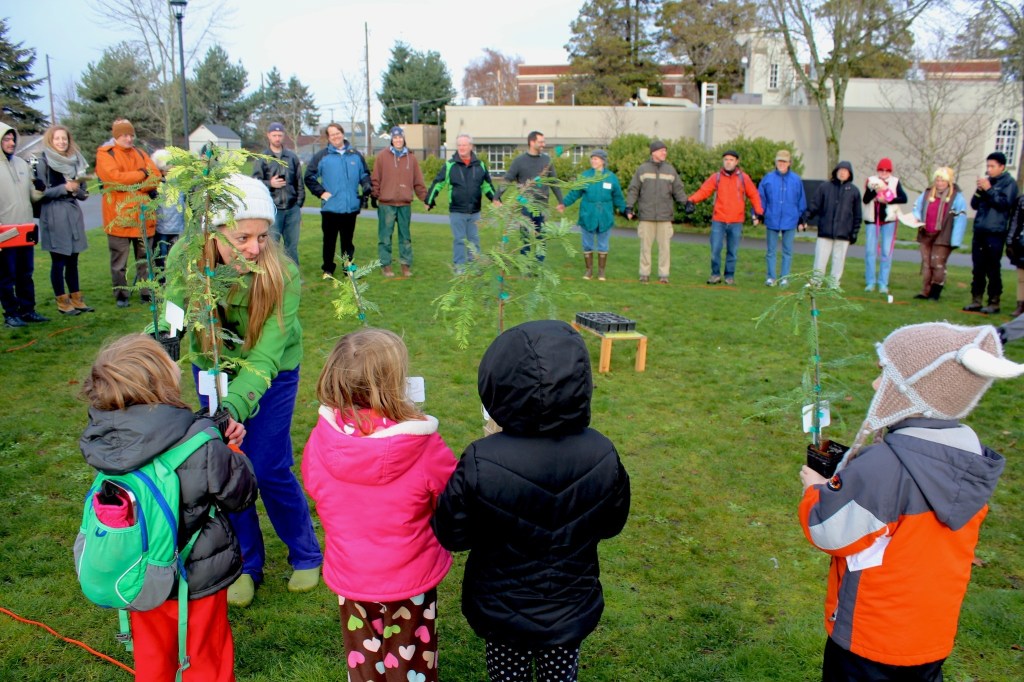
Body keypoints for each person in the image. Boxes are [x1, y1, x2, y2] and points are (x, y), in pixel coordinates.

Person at [798, 321, 1021, 682]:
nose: (874, 385)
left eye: (885, 375)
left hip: (870, 637)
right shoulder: (968, 457)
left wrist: (815, 490)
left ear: (912, 390)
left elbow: (828, 531)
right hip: (930, 635)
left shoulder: (882, 467)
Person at [432, 320, 631, 682]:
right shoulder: (602, 452)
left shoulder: (482, 459)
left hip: (502, 608)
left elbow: (452, 533)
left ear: (499, 383)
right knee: (560, 676)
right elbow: (611, 523)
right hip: (570, 605)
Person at [165, 174, 323, 607]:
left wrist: (234, 405)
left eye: (262, 235)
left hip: (270, 373)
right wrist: (161, 340)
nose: (256, 247)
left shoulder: (281, 273)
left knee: (269, 466)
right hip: (211, 370)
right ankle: (247, 563)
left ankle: (305, 552)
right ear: (213, 232)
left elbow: (266, 357)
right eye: (242, 237)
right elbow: (172, 316)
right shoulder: (186, 258)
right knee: (227, 467)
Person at [79, 333, 257, 681]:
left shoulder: (106, 442)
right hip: (196, 574)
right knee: (205, 656)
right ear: (161, 383)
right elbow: (242, 493)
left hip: (139, 571)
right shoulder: (200, 442)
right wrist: (232, 450)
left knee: (153, 657)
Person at [302, 328, 457, 682]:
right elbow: (451, 492)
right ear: (394, 381)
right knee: (411, 661)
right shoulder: (423, 444)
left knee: (364, 659)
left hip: (352, 574)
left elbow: (313, 483)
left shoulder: (323, 437)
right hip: (409, 576)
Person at [95, 119, 161, 308]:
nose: (129, 138)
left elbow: (155, 177)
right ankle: (121, 294)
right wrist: (141, 175)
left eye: (131, 134)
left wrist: (136, 182)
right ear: (116, 136)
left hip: (143, 216)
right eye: (124, 135)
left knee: (145, 259)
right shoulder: (106, 155)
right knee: (119, 262)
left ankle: (146, 292)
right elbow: (114, 179)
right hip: (119, 218)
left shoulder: (140, 153)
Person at [34, 125, 92, 316]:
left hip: (73, 215)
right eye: (57, 138)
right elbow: (39, 194)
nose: (61, 142)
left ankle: (77, 299)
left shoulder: (75, 161)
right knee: (58, 261)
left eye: (64, 138)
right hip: (54, 215)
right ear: (51, 140)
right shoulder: (43, 162)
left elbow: (83, 194)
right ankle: (62, 301)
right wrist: (64, 188)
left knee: (73, 260)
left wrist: (77, 190)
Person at [688, 149, 763, 286]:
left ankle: (729, 276)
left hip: (736, 221)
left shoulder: (743, 178)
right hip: (719, 220)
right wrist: (692, 200)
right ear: (723, 161)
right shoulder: (716, 177)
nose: (728, 162)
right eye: (726, 159)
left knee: (732, 252)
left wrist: (758, 211)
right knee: (715, 249)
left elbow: (754, 194)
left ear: (736, 162)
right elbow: (704, 191)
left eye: (731, 160)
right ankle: (715, 274)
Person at [426, 134, 501, 271]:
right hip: (457, 211)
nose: (461, 147)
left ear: (470, 147)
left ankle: (475, 266)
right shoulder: (450, 165)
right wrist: (429, 200)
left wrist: (495, 199)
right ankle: (459, 267)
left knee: (474, 240)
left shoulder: (480, 165)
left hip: (475, 212)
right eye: (459, 145)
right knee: (459, 240)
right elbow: (438, 183)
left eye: (464, 145)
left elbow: (487, 186)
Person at [304, 123, 371, 277]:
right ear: (328, 138)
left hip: (350, 207)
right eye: (332, 134)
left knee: (348, 242)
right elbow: (309, 177)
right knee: (329, 242)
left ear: (342, 133)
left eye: (337, 133)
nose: (335, 136)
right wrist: (321, 192)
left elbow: (364, 174)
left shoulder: (355, 155)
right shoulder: (322, 156)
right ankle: (328, 269)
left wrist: (366, 183)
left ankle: (349, 269)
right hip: (330, 208)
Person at [1, 122, 50, 328]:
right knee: (6, 276)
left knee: (25, 273)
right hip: (5, 232)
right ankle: (10, 313)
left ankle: (27, 309)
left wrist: (39, 189)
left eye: (13, 139)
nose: (11, 143)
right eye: (6, 139)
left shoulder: (22, 164)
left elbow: (32, 197)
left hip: (25, 229)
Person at [625, 140, 688, 284]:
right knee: (645, 248)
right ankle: (644, 274)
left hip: (665, 217)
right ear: (653, 152)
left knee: (665, 248)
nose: (664, 153)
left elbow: (678, 189)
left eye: (665, 150)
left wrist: (686, 203)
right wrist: (629, 206)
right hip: (646, 216)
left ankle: (664, 275)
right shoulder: (643, 169)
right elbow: (634, 189)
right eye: (661, 150)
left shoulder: (670, 170)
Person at [964, 151, 1019, 315]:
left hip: (995, 231)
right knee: (978, 267)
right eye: (987, 166)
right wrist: (980, 190)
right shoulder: (987, 182)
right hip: (980, 229)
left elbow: (1004, 204)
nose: (989, 169)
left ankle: (994, 301)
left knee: (992, 267)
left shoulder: (1009, 183)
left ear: (1002, 167)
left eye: (992, 166)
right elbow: (974, 204)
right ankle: (976, 299)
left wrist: (989, 190)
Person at [371, 126, 427, 277]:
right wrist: (374, 195)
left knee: (405, 237)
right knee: (385, 237)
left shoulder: (411, 158)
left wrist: (424, 198)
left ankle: (405, 265)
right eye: (395, 137)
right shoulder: (382, 156)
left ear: (403, 138)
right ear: (391, 139)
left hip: (404, 203)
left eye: (400, 137)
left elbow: (418, 181)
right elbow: (375, 178)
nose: (398, 140)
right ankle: (386, 265)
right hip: (386, 204)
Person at [563, 149, 625, 281]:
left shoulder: (611, 177)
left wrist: (626, 210)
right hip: (588, 214)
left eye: (596, 158)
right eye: (592, 158)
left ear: (603, 161)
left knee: (603, 244)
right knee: (587, 244)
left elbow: (618, 197)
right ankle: (589, 270)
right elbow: (575, 193)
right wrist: (564, 203)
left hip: (605, 215)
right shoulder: (585, 176)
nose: (593, 160)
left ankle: (601, 272)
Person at [503, 131, 565, 261]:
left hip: (542, 206)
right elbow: (508, 179)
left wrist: (561, 201)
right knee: (524, 236)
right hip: (524, 205)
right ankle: (524, 264)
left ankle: (538, 266)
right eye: (541, 142)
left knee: (541, 237)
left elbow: (553, 182)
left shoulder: (547, 160)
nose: (544, 144)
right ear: (532, 142)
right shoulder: (519, 161)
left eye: (544, 141)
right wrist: (496, 197)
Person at [911, 167, 967, 302]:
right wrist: (917, 218)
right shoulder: (927, 194)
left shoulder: (957, 197)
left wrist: (955, 240)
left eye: (943, 180)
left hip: (944, 235)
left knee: (937, 263)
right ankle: (925, 291)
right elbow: (916, 208)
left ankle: (935, 293)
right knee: (926, 264)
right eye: (938, 179)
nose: (940, 183)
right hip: (926, 233)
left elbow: (961, 220)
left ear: (949, 181)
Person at [253, 122, 304, 265]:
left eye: (280, 135)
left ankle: (294, 276)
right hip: (273, 208)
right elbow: (255, 183)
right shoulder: (263, 158)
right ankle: (272, 276)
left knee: (292, 246)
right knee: (272, 246)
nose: (277, 138)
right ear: (268, 136)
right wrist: (270, 183)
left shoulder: (291, 157)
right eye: (274, 135)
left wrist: (299, 204)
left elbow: (299, 182)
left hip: (292, 208)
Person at [804, 161, 862, 287]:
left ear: (849, 174)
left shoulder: (854, 191)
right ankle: (816, 282)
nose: (842, 173)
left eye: (845, 171)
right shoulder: (825, 187)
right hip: (825, 231)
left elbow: (857, 215)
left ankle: (834, 284)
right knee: (820, 259)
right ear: (836, 171)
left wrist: (854, 232)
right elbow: (814, 205)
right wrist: (805, 218)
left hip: (843, 233)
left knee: (838, 260)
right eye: (840, 170)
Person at [757, 149, 806, 287]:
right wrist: (758, 214)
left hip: (790, 220)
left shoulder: (796, 180)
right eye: (779, 161)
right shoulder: (768, 178)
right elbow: (761, 198)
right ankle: (771, 277)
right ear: (776, 162)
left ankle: (785, 277)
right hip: (772, 218)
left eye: (784, 161)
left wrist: (802, 218)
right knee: (771, 251)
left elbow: (801, 200)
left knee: (787, 251)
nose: (781, 164)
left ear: (789, 163)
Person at [862, 157, 908, 294]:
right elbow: (865, 199)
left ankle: (883, 283)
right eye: (881, 170)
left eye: (886, 170)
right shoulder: (871, 181)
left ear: (890, 171)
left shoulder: (895, 182)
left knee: (886, 252)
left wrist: (889, 200)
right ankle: (870, 282)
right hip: (872, 221)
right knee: (870, 251)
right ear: (877, 170)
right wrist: (875, 193)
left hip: (889, 221)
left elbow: (904, 198)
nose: (883, 172)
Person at [150, 149, 184, 282]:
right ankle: (163, 279)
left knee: (173, 254)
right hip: (162, 226)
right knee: (162, 254)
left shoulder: (178, 182)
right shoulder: (156, 184)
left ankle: (172, 279)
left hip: (175, 225)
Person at [1006, 193, 1024, 318]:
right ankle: (1020, 305)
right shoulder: (1021, 200)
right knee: (1021, 278)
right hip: (1021, 242)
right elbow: (1014, 221)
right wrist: (1010, 241)